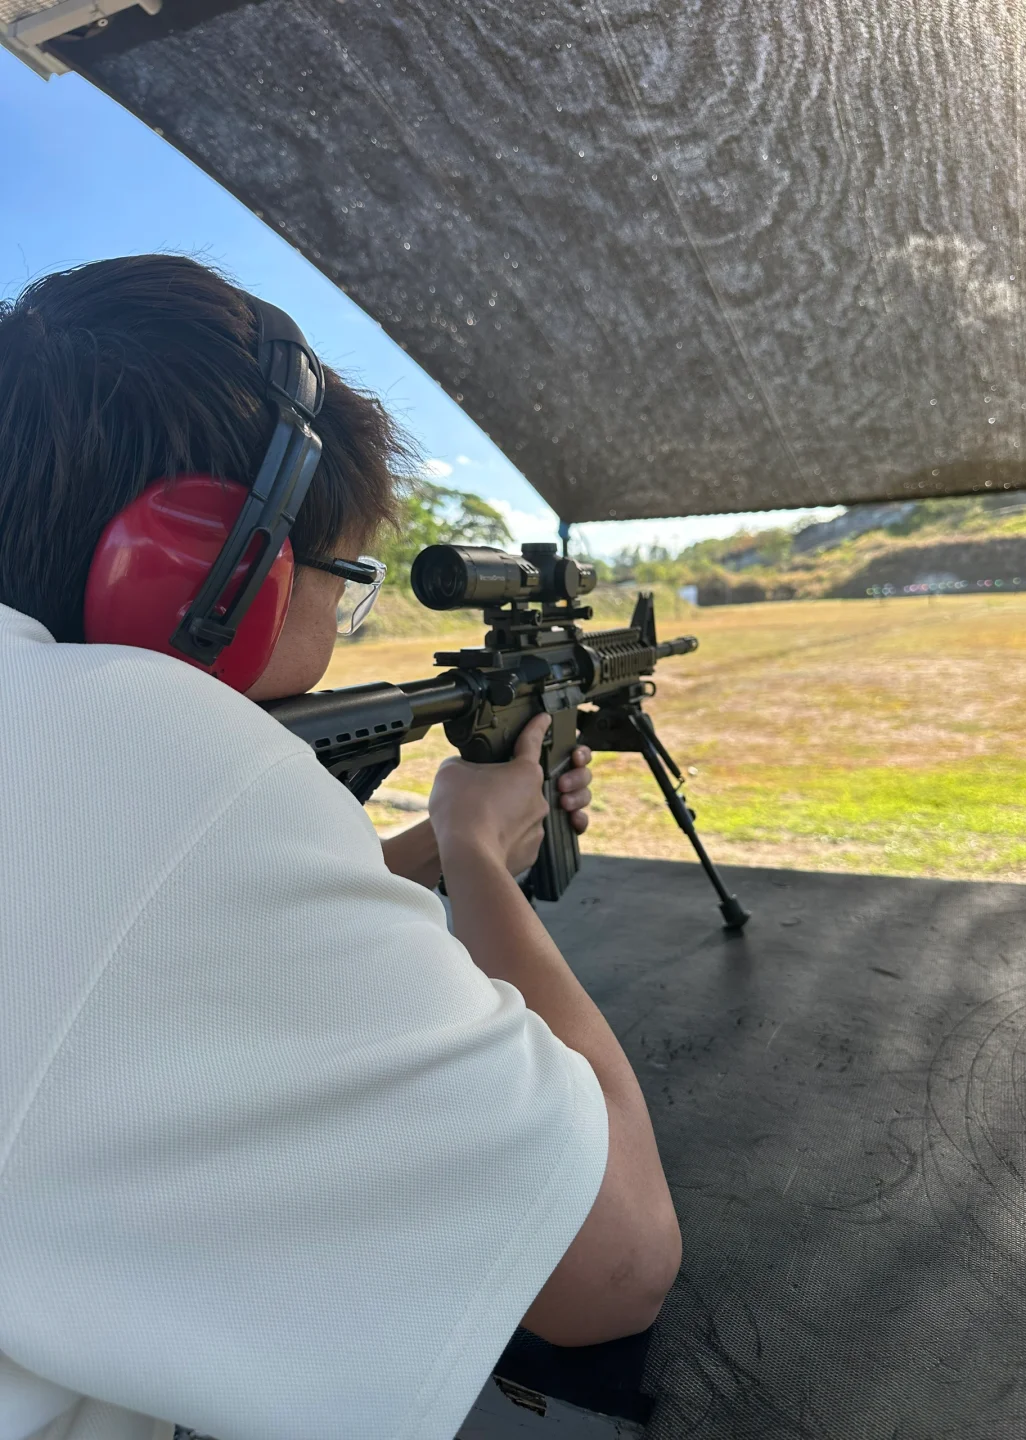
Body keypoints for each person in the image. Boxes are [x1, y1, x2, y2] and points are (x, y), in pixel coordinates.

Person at [0, 254, 682, 1440]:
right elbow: (611, 1267)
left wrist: (428, 841)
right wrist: (483, 865)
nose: (345, 613)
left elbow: (152, 937)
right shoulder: (157, 745)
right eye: (347, 579)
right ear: (205, 570)